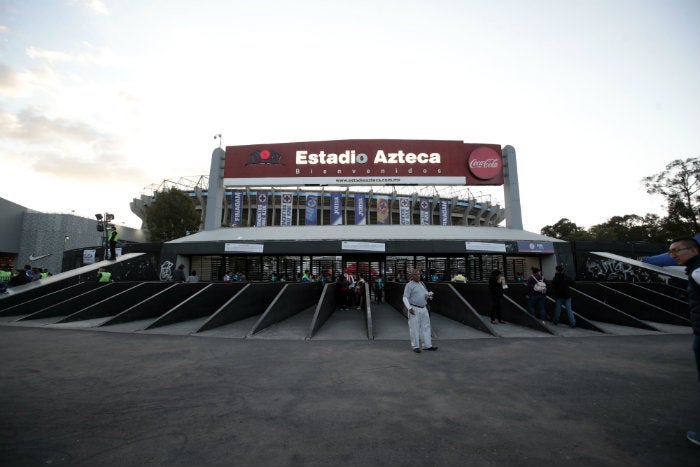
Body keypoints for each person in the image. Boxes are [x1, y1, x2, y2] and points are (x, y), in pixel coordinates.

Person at [668, 236, 700, 447]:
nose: (673, 255)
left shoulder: (697, 271)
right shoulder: (694, 270)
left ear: (694, 250)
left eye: (677, 250)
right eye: (671, 251)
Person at [402, 268, 437, 353]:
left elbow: (425, 294)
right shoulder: (409, 285)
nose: (418, 276)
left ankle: (427, 345)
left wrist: (428, 296)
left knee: (426, 327)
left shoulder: (422, 284)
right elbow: (405, 297)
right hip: (414, 308)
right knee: (414, 328)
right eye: (416, 274)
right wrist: (409, 308)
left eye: (419, 274)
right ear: (412, 276)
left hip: (423, 308)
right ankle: (416, 346)